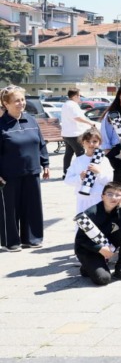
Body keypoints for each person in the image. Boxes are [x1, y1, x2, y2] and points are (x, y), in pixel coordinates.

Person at [0, 85, 50, 250]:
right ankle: (11, 242)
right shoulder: (1, 125)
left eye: (22, 99)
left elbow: (40, 143)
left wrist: (45, 163)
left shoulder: (31, 120)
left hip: (32, 171)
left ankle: (32, 239)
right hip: (8, 175)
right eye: (16, 101)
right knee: (10, 209)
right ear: (6, 103)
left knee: (32, 206)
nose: (21, 103)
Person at [74, 182, 121, 285]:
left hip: (106, 242)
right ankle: (86, 267)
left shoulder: (119, 209)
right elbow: (80, 240)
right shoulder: (91, 213)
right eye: (109, 194)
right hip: (89, 249)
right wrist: (99, 249)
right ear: (102, 196)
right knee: (104, 279)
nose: (113, 197)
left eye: (118, 195)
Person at [64, 128, 114, 214]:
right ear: (82, 143)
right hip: (83, 198)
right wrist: (80, 177)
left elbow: (109, 181)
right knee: (83, 222)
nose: (91, 144)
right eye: (87, 141)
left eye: (94, 141)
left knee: (98, 221)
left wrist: (99, 172)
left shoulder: (104, 160)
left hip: (98, 197)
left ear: (100, 143)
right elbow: (67, 180)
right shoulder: (78, 161)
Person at [60, 88, 94, 176]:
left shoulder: (66, 104)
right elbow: (77, 117)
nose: (80, 98)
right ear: (75, 96)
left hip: (67, 134)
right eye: (79, 96)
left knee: (68, 154)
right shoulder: (73, 105)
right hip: (75, 134)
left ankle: (66, 172)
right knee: (81, 154)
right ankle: (83, 172)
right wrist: (89, 123)